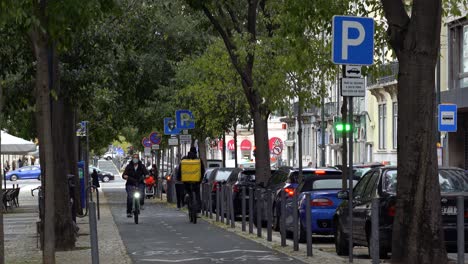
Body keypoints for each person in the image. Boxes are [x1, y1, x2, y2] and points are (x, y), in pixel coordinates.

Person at [176, 147, 205, 213]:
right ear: (196, 152)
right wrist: (200, 179)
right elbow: (202, 170)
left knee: (186, 190)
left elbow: (180, 170)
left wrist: (179, 178)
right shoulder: (199, 160)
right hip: (196, 181)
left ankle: (186, 198)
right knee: (197, 195)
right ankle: (198, 210)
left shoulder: (184, 159)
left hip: (186, 181)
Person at [122, 153, 149, 217]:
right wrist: (125, 176)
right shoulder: (129, 166)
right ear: (132, 159)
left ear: (138, 159)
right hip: (130, 183)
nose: (135, 159)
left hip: (140, 183)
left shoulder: (142, 166)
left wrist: (146, 176)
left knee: (141, 194)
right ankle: (129, 211)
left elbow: (146, 173)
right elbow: (124, 174)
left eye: (136, 158)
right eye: (134, 157)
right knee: (130, 197)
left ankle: (141, 204)